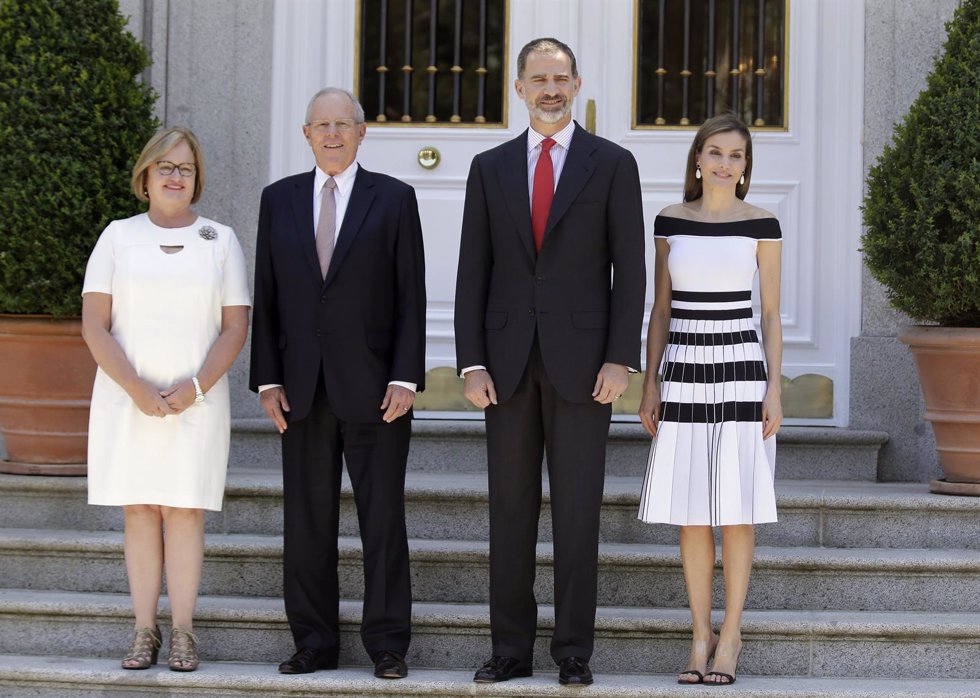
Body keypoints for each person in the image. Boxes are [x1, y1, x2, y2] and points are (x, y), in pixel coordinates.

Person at [454, 38, 646, 686]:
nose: (550, 88)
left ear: (578, 83)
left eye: (560, 77)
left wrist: (622, 357)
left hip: (585, 366)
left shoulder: (613, 164)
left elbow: (633, 272)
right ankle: (509, 649)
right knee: (509, 512)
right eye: (538, 78)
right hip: (504, 365)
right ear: (518, 87)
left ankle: (573, 653)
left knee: (576, 513)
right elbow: (470, 275)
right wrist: (470, 362)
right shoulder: (488, 168)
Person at [249, 87, 426, 679]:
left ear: (361, 132)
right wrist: (267, 380)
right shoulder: (278, 201)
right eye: (321, 125)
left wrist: (406, 376)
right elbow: (267, 296)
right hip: (299, 387)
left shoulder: (395, 198)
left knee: (382, 520)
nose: (331, 134)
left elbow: (411, 297)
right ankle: (314, 642)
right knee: (305, 522)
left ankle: (387, 645)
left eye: (342, 124)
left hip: (377, 387)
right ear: (305, 134)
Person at [81, 127, 251, 672]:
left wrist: (195, 387)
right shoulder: (116, 237)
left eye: (185, 167)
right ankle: (143, 631)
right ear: (145, 177)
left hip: (196, 403)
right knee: (139, 510)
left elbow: (234, 327)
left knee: (184, 511)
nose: (176, 176)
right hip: (126, 400)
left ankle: (182, 632)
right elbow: (94, 324)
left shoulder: (220, 240)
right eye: (165, 167)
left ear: (196, 178)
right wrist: (135, 388)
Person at [636, 113, 783, 686]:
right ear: (698, 158)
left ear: (746, 167)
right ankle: (699, 635)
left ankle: (732, 635)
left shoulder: (762, 223)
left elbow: (769, 313)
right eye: (715, 152)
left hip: (742, 369)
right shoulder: (671, 220)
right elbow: (661, 309)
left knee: (737, 508)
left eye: (736, 155)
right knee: (693, 511)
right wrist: (650, 381)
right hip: (685, 369)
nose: (725, 163)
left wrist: (775, 387)